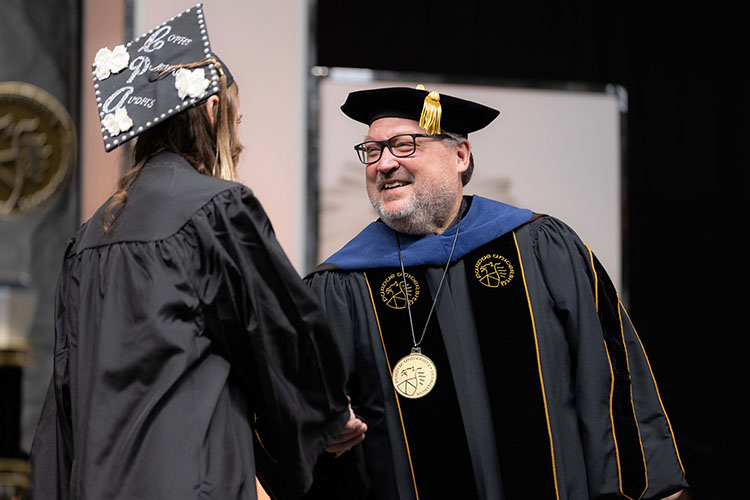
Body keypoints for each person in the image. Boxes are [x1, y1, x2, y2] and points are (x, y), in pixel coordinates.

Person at [28, 6, 364, 500]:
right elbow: (283, 332)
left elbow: (62, 398)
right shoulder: (217, 210)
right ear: (211, 111)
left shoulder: (88, 239)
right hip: (190, 481)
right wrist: (330, 415)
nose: (239, 140)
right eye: (235, 119)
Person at [304, 85, 688, 499]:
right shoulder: (341, 286)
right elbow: (306, 425)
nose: (384, 163)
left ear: (460, 155)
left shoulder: (540, 248)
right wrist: (320, 436)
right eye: (373, 151)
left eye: (403, 145)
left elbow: (609, 383)